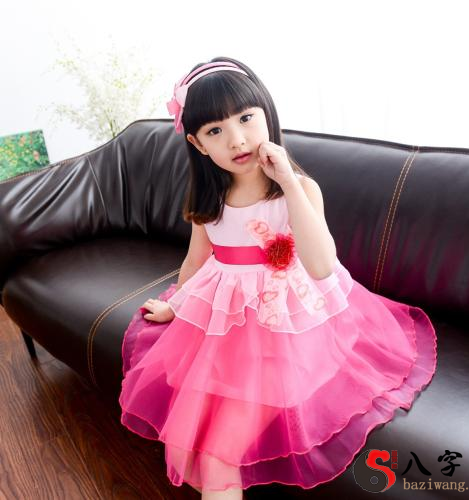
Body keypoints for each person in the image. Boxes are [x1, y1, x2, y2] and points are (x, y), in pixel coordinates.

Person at [118, 56, 438, 500]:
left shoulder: (299, 190)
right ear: (197, 144)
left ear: (267, 114)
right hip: (226, 331)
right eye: (215, 131)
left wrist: (287, 180)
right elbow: (195, 262)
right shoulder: (210, 201)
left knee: (218, 456)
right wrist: (176, 304)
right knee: (183, 446)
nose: (237, 138)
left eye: (246, 118)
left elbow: (322, 264)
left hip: (290, 333)